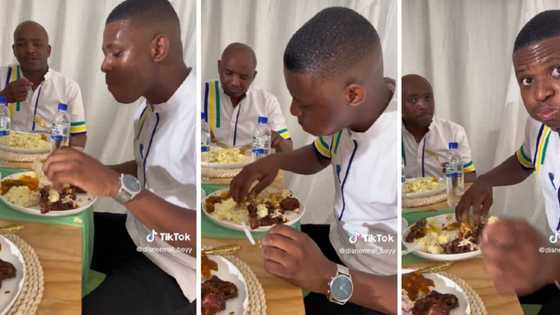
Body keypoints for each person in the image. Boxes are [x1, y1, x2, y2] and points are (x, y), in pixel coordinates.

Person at [230, 7, 396, 315]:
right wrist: (272, 162)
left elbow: (424, 282)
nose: (293, 110)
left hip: (379, 290)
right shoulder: (352, 114)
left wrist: (328, 277)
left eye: (304, 103)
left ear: (353, 94)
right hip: (340, 253)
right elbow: (319, 155)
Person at [42, 0, 196, 314]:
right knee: (45, 246)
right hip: (138, 233)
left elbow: (202, 237)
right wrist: (91, 173)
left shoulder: (198, 119)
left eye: (115, 52)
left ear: (158, 48)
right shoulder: (147, 106)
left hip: (177, 267)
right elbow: (150, 169)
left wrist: (115, 185)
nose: (103, 64)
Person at [456, 10, 560, 315]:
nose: (540, 93)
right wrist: (485, 180)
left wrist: (548, 260)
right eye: (527, 80)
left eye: (557, 71)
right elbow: (524, 161)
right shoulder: (541, 127)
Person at [0, 21, 87, 148]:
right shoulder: (1, 76)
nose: (30, 50)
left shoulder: (68, 88)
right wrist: (3, 96)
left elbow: (78, 136)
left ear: (48, 51)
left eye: (37, 44)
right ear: (14, 50)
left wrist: (65, 161)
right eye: (21, 44)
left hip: (48, 163)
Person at [203, 42, 293, 152]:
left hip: (252, 167)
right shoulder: (199, 93)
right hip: (208, 167)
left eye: (243, 77)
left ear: (253, 76)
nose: (235, 82)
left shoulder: (267, 101)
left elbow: (288, 149)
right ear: (219, 67)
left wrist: (279, 141)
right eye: (228, 73)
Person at [402, 74, 476, 181]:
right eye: (413, 100)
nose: (422, 105)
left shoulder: (454, 132)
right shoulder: (392, 134)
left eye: (427, 98)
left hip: (443, 196)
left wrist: (451, 170)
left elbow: (471, 176)